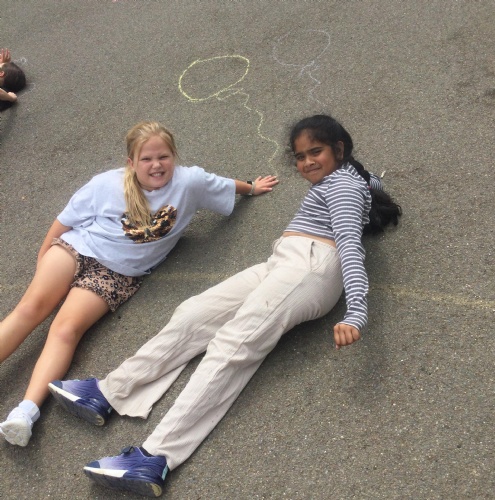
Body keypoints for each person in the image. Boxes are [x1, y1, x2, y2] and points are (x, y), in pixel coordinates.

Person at [49, 114, 401, 498]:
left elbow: (350, 247)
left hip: (310, 268)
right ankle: (109, 392)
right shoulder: (351, 179)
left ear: (339, 149)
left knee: (234, 345)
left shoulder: (344, 187)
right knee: (195, 313)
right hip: (285, 262)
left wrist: (356, 312)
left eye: (315, 152)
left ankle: (155, 457)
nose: (306, 163)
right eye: (300, 156)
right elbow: (369, 185)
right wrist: (371, 182)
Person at [0, 120, 278, 447]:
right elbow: (63, 222)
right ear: (131, 163)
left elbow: (224, 185)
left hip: (116, 273)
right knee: (30, 309)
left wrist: (251, 187)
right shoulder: (105, 185)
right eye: (146, 159)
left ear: (174, 157)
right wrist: (43, 259)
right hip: (75, 248)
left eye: (163, 157)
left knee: (65, 330)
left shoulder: (189, 182)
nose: (156, 165)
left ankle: (26, 412)